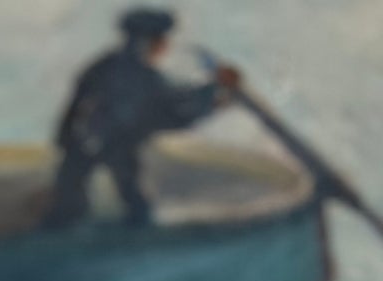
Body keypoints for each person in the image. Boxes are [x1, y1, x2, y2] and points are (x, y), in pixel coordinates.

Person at [46, 9, 241, 228]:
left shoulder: (102, 66)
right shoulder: (142, 77)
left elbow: (169, 107)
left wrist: (215, 97)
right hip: (109, 144)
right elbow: (175, 106)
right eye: (161, 41)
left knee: (74, 205)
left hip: (86, 143)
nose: (165, 47)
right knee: (131, 205)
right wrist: (215, 92)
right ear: (148, 42)